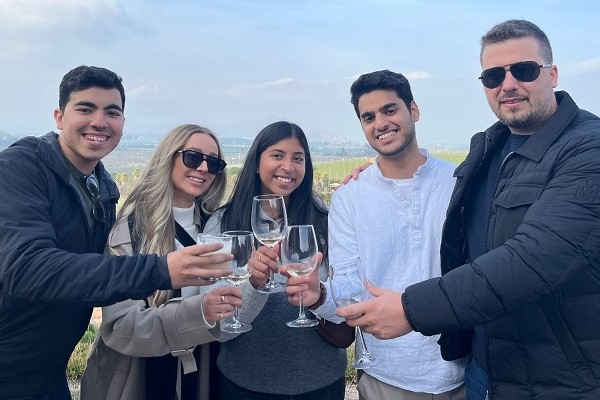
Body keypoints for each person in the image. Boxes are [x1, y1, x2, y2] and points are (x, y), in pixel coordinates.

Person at [337, 19, 600, 400]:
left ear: (553, 74)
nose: (508, 84)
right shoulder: (488, 151)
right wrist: (371, 179)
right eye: (493, 76)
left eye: (523, 70)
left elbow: (535, 259)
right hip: (483, 369)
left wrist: (412, 309)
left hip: (559, 378)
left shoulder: (587, 148)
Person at [0, 66, 232, 400]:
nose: (99, 122)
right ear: (59, 117)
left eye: (112, 112)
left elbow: (95, 276)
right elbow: (26, 269)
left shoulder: (102, 187)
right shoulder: (20, 169)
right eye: (85, 108)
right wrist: (162, 271)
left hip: (47, 371)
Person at [287, 70, 466, 399]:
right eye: (368, 117)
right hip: (385, 374)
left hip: (461, 369)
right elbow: (349, 286)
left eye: (389, 110)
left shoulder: (458, 182)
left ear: (413, 110)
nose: (380, 123)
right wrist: (319, 296)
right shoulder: (349, 197)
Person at [80, 124, 241, 399]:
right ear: (168, 157)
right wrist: (198, 313)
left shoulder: (217, 228)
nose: (203, 168)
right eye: (192, 157)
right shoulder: (130, 231)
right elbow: (120, 327)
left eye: (213, 163)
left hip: (205, 376)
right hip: (140, 378)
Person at [202, 121, 347, 399]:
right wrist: (254, 286)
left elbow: (347, 299)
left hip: (322, 383)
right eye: (277, 155)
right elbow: (220, 327)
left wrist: (319, 296)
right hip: (244, 384)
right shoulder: (223, 224)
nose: (288, 167)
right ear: (257, 163)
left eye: (298, 158)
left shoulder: (326, 222)